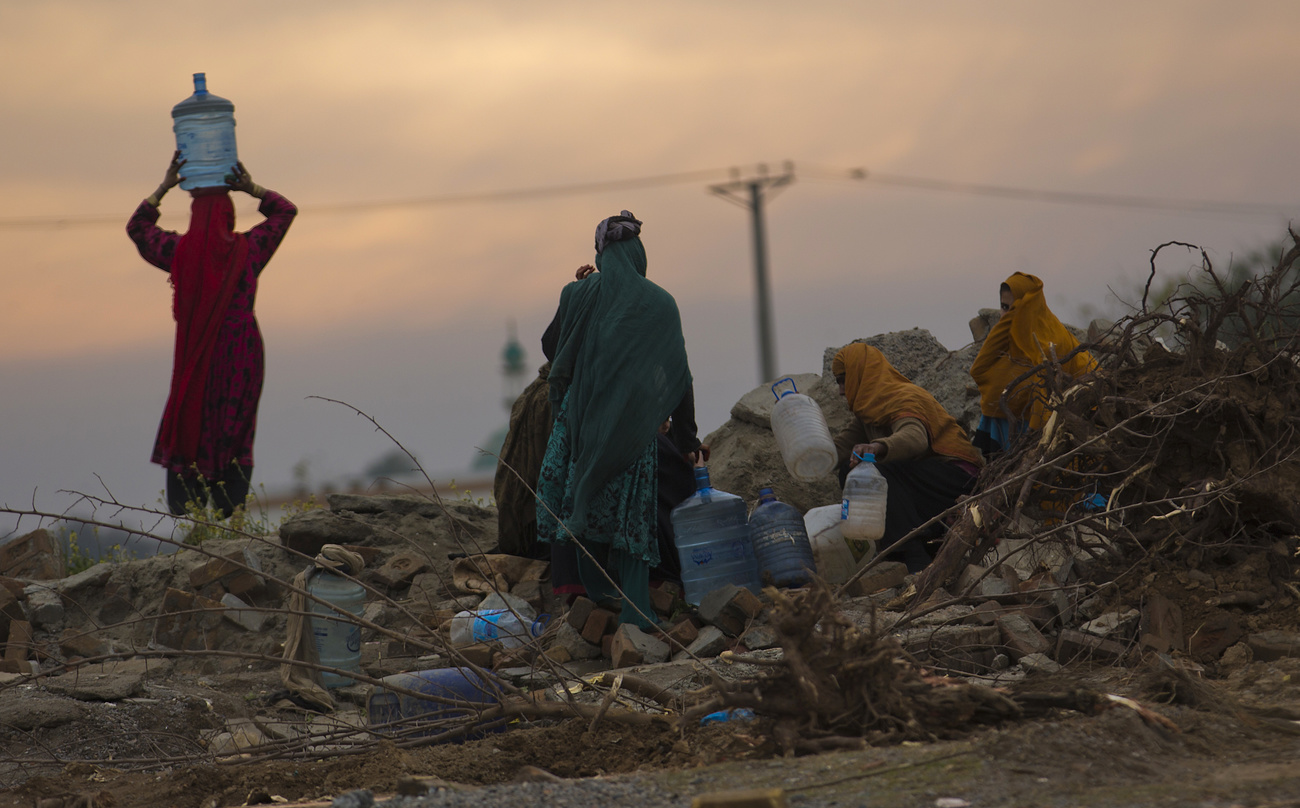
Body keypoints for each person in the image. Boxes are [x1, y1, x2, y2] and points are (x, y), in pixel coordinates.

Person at [535, 211, 701, 628]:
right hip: (630, 434)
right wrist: (686, 441)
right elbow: (679, 379)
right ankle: (635, 615)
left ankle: (595, 603)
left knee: (582, 508)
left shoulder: (582, 294)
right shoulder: (660, 304)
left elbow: (552, 348)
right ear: (639, 254)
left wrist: (573, 293)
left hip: (580, 430)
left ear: (602, 255)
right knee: (630, 519)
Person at [127, 152, 297, 518]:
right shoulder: (247, 251)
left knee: (193, 415)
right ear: (229, 216)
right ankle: (228, 509)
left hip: (195, 352)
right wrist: (252, 188)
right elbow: (285, 212)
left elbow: (137, 228)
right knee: (236, 425)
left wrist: (165, 186)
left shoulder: (178, 252)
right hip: (241, 352)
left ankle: (189, 509)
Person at [831, 343, 984, 572]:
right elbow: (840, 448)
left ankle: (910, 554)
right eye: (838, 382)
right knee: (849, 470)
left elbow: (915, 437)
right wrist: (811, 453)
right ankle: (913, 549)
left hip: (959, 479)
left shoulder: (904, 397)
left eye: (844, 379)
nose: (842, 390)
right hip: (924, 484)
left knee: (882, 471)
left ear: (861, 374)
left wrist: (877, 447)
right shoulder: (869, 412)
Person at [969, 272, 1097, 455]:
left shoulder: (1049, 341)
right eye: (1004, 307)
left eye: (1016, 308)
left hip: (1076, 419)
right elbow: (979, 370)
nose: (1008, 314)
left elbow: (1043, 410)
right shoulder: (1016, 339)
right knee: (994, 405)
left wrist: (1034, 451)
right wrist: (1009, 321)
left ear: (1030, 307)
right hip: (1023, 424)